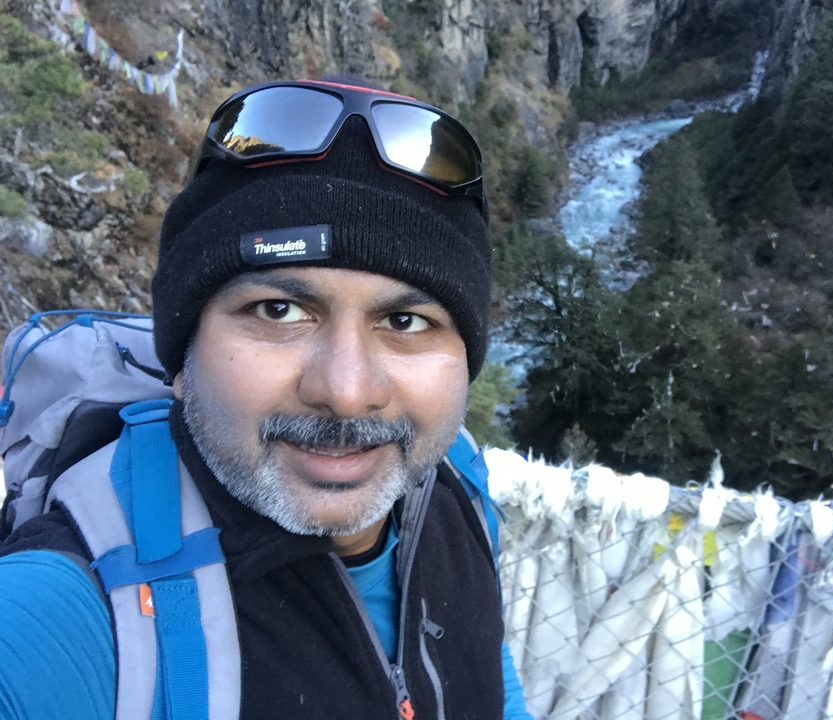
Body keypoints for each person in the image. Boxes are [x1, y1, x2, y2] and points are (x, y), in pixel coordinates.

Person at [0, 78, 531, 720]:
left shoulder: (460, 494)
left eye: (405, 322)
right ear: (182, 355)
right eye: (278, 310)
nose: (346, 391)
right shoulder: (69, 612)